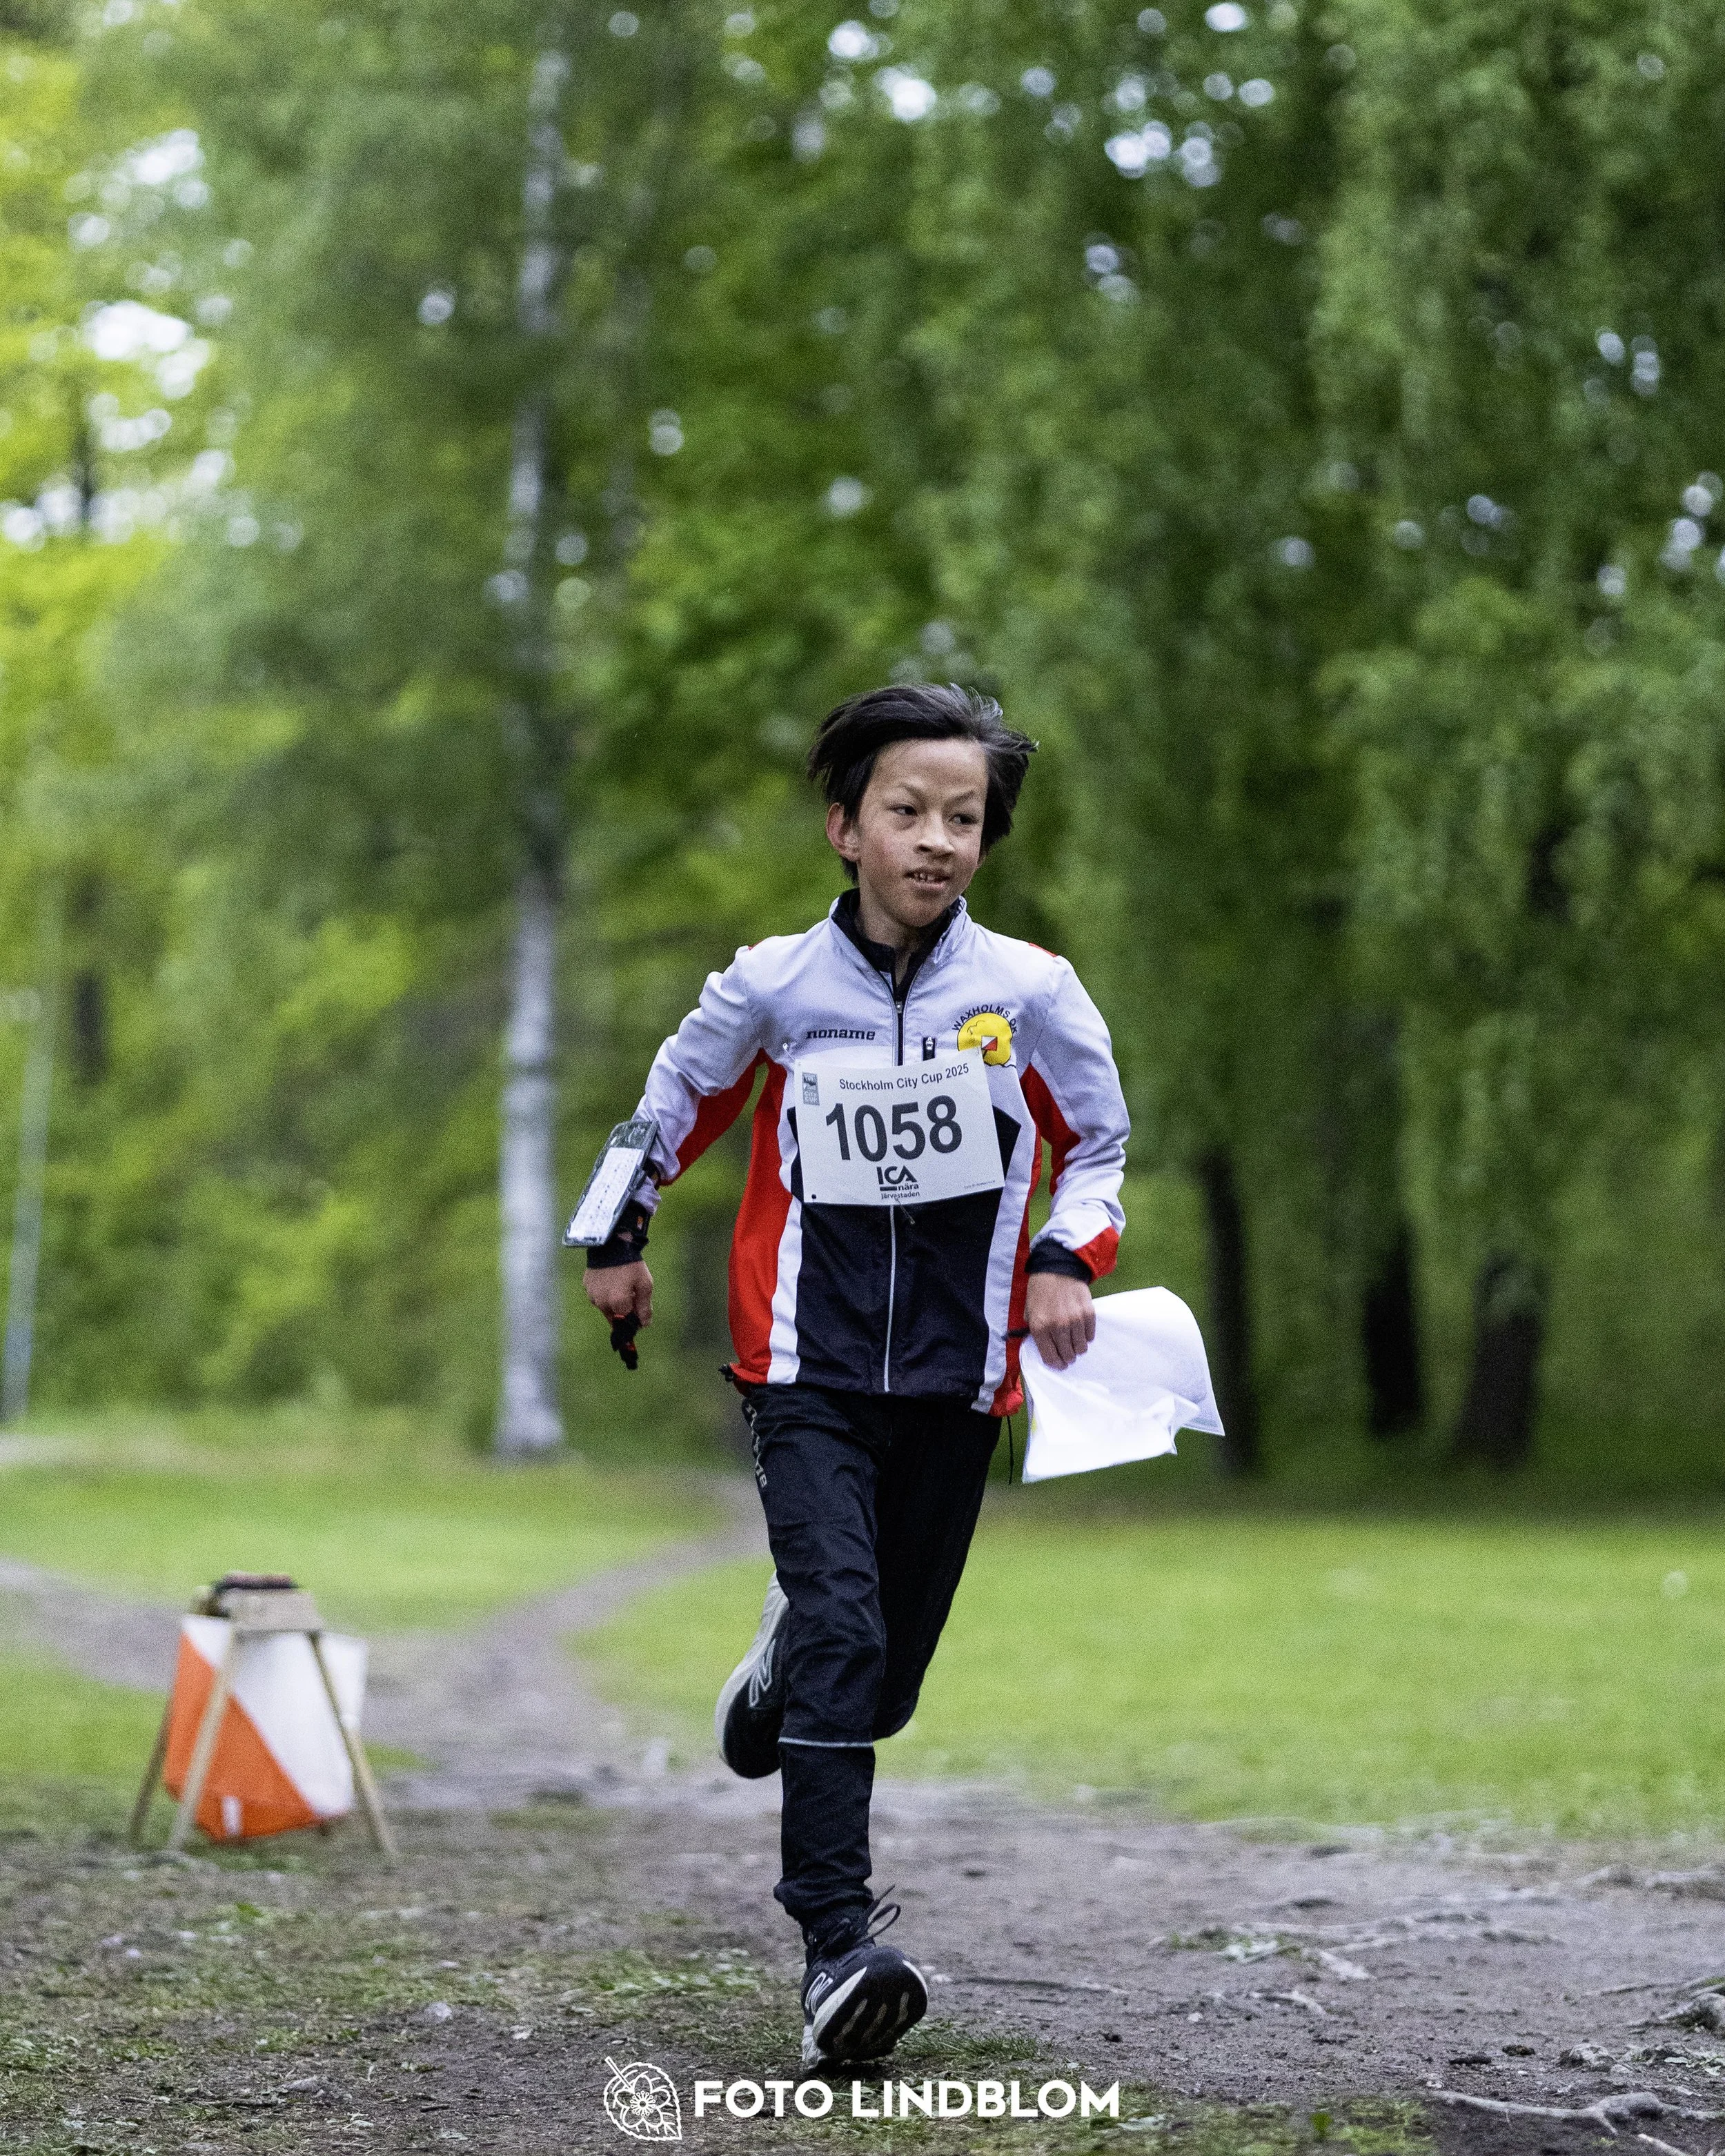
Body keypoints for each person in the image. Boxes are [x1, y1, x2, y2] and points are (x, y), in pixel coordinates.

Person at [583, 682, 1129, 2068]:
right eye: (906, 810)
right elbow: (672, 1103)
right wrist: (617, 1233)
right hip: (801, 1363)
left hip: (959, 1377)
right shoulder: (773, 983)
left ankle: (780, 1677)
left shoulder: (1031, 994)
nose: (936, 838)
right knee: (847, 1624)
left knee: (875, 1681)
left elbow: (1101, 1146)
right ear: (845, 826)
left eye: (963, 816)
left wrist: (1068, 1258)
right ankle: (836, 1945)